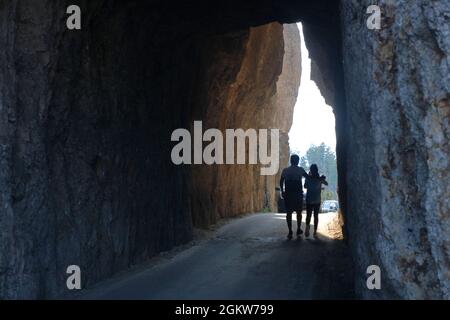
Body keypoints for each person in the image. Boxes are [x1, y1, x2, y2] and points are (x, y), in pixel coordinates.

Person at [280, 154, 308, 240]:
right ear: (298, 161)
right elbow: (308, 177)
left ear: (290, 161)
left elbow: (281, 181)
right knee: (299, 213)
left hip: (288, 194)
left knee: (289, 213)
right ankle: (298, 228)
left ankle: (290, 231)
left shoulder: (285, 170)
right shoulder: (300, 170)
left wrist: (282, 191)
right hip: (298, 194)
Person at [304, 164, 328, 238]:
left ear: (311, 170)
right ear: (317, 170)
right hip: (317, 200)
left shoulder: (308, 178)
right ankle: (315, 232)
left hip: (309, 199)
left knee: (308, 215)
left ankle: (307, 228)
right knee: (316, 216)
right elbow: (326, 184)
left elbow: (305, 186)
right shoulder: (320, 178)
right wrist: (322, 179)